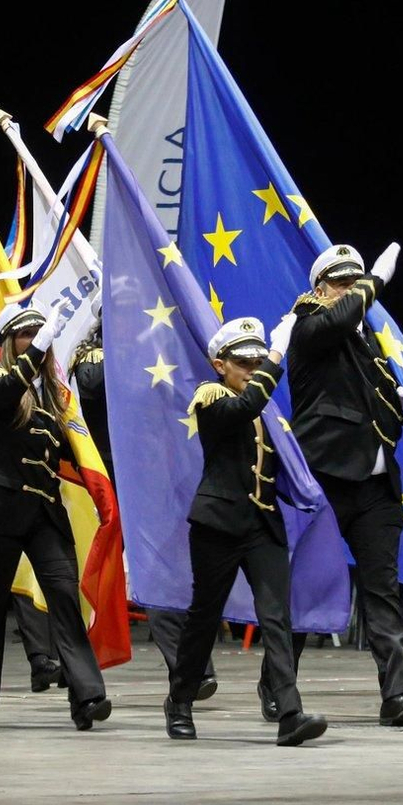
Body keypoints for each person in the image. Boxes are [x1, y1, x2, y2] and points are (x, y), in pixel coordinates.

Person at [285, 241, 403, 727]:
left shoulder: (368, 341)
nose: (353, 291)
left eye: (357, 281)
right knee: (308, 589)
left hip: (373, 485)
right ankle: (278, 686)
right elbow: (335, 321)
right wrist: (376, 281)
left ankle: (396, 696)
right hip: (327, 481)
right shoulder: (308, 327)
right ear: (320, 290)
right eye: (343, 283)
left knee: (381, 593)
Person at [164, 315, 327, 746]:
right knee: (204, 617)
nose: (253, 368)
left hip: (262, 523)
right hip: (218, 522)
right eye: (244, 361)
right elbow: (242, 408)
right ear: (221, 365)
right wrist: (276, 356)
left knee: (277, 617)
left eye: (257, 360)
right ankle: (180, 700)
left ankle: (289, 711)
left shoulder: (267, 410)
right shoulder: (211, 395)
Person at [0, 303, 111, 731]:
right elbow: (5, 396)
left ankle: (88, 697)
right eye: (27, 334)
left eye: (41, 334)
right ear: (11, 342)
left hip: (45, 514)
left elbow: (75, 452)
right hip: (2, 510)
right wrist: (36, 352)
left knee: (65, 599)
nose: (37, 340)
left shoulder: (54, 398)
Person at [72, 315, 215, 697]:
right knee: (108, 576)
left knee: (169, 572)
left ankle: (194, 667)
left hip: (158, 479)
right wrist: (129, 350)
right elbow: (92, 383)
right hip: (115, 487)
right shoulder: (93, 357)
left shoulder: (155, 356)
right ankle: (70, 666)